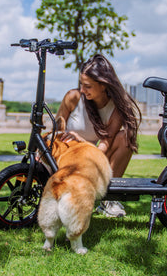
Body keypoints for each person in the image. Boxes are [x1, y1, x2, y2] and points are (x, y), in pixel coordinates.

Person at [56, 54, 142, 217]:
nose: (82, 90)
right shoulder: (73, 98)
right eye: (81, 84)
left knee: (125, 138)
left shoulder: (115, 107)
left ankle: (108, 199)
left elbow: (106, 143)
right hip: (65, 158)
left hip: (90, 159)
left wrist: (82, 143)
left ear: (103, 85)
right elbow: (56, 132)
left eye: (87, 86)